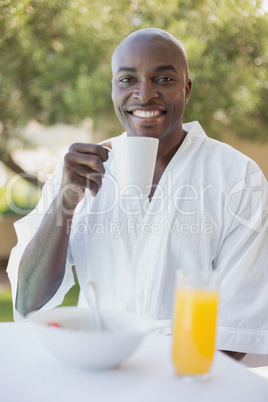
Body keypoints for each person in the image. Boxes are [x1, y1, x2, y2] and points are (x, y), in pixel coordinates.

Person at [7, 28, 268, 365]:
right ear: (114, 88)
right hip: (96, 369)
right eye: (127, 79)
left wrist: (169, 388)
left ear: (186, 89)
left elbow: (235, 326)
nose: (144, 95)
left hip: (190, 381)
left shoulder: (238, 176)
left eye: (164, 78)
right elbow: (29, 301)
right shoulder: (80, 169)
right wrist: (66, 200)